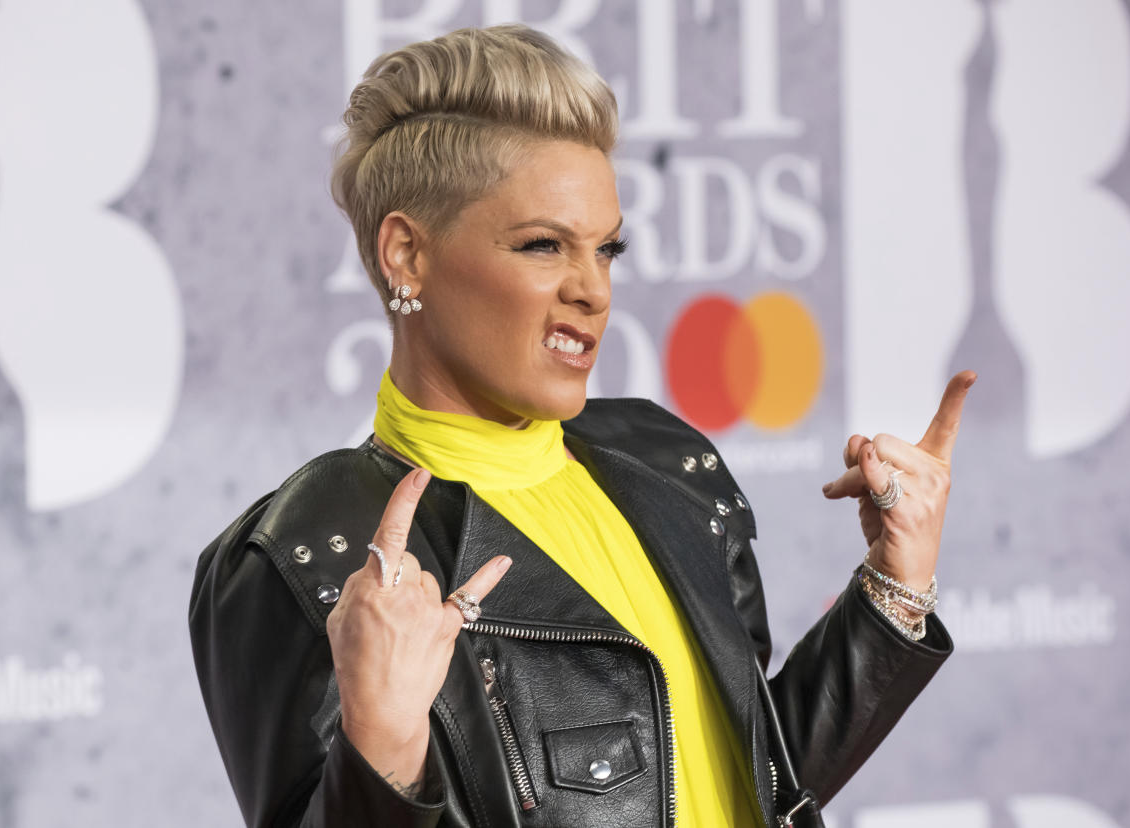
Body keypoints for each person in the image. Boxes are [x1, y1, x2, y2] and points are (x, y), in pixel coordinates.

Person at [189, 23, 973, 828]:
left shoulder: (667, 464)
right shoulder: (305, 552)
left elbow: (749, 778)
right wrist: (382, 749)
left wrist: (895, 586)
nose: (593, 290)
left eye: (607, 249)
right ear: (406, 255)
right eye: (542, 245)